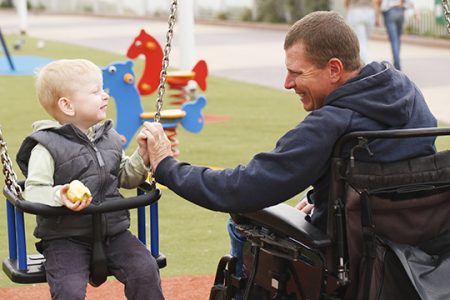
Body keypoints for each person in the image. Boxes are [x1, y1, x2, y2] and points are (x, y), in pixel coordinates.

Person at [144, 9, 436, 277]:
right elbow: (393, 168)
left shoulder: (330, 124)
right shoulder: (407, 94)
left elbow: (243, 188)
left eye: (296, 72)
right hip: (413, 241)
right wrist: (322, 198)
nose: (286, 83)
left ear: (334, 69)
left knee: (240, 224)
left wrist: (167, 166)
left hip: (347, 253)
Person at [16, 59, 164, 300]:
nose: (105, 96)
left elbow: (125, 177)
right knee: (69, 291)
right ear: (67, 105)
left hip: (114, 232)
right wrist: (60, 195)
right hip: (65, 239)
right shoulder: (45, 147)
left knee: (145, 271)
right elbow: (33, 190)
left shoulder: (110, 138)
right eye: (95, 91)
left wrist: (142, 155)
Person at [375, 0, 416, 70]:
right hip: (400, 11)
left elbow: (378, 2)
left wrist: (377, 17)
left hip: (389, 11)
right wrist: (415, 10)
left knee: (394, 40)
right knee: (397, 39)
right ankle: (397, 62)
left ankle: (397, 66)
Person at [344, 0, 376, 64]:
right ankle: (363, 62)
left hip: (356, 11)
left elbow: (346, 1)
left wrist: (348, 8)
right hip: (370, 11)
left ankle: (365, 64)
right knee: (364, 41)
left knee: (360, 41)